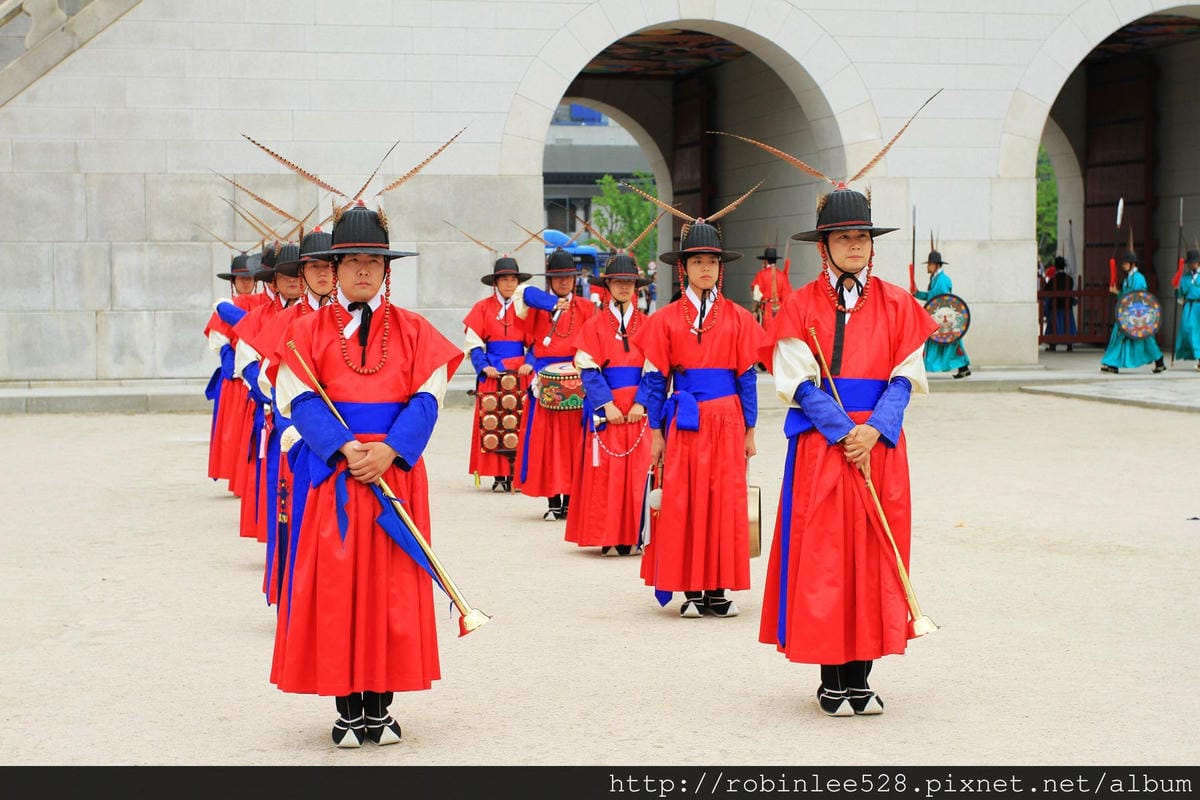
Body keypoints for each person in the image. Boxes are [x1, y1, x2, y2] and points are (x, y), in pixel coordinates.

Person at [270, 200, 464, 747]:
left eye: (372, 261)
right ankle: (347, 707)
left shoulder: (413, 330)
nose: (361, 270)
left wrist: (391, 450)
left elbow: (429, 397)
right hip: (337, 476)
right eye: (351, 259)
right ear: (334, 267)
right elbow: (298, 397)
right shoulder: (306, 331)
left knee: (392, 587)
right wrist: (344, 449)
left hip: (394, 476)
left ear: (386, 269)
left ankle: (382, 705)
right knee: (337, 587)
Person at [759, 185, 938, 717]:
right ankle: (831, 677)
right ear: (825, 245)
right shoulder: (800, 305)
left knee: (876, 555)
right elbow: (797, 382)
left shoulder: (897, 304)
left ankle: (863, 676)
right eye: (844, 237)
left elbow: (905, 378)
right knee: (825, 558)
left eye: (861, 236)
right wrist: (842, 431)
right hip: (822, 447)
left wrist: (875, 429)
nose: (854, 245)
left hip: (879, 448)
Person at [628, 194, 769, 619]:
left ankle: (719, 588)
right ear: (683, 267)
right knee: (685, 501)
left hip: (728, 420)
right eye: (697, 261)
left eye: (712, 261)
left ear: (720, 267)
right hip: (685, 419)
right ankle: (691, 586)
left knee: (725, 500)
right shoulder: (665, 319)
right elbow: (654, 380)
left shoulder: (741, 318)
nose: (705, 268)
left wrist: (750, 428)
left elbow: (747, 377)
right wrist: (655, 432)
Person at [564, 250, 655, 556]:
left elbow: (655, 369)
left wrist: (643, 402)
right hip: (609, 409)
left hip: (639, 411)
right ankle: (608, 534)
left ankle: (635, 535)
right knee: (607, 473)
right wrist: (606, 405)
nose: (624, 287)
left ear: (637, 286)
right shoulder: (594, 325)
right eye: (618, 281)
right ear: (608, 285)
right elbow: (588, 369)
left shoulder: (648, 324)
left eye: (629, 282)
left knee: (639, 471)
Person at [514, 247, 595, 520]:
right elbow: (521, 292)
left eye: (568, 277)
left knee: (573, 444)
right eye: (558, 278)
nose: (563, 282)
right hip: (545, 381)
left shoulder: (586, 308)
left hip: (576, 380)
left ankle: (572, 499)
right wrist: (551, 304)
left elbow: (593, 346)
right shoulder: (538, 306)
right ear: (549, 280)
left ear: (575, 279)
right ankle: (553, 500)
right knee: (547, 444)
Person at [462, 253, 536, 492]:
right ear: (495, 282)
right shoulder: (482, 308)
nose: (508, 283)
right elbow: (473, 343)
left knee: (521, 422)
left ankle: (520, 472)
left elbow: (536, 342)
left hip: (521, 372)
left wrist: (530, 361)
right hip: (494, 370)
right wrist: (484, 366)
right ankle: (498, 473)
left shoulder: (526, 309)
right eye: (504, 279)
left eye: (513, 279)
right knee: (493, 421)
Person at [1100, 248, 1167, 374]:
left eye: (1126, 262)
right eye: (1123, 262)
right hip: (1127, 313)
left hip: (1137, 314)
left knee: (1146, 338)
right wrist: (1117, 293)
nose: (1123, 265)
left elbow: (1138, 297)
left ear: (1132, 264)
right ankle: (1112, 363)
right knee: (1119, 336)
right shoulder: (1128, 278)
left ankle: (1159, 361)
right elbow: (1126, 296)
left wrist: (1119, 294)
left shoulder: (1139, 278)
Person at [912, 248, 971, 379]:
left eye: (929, 264)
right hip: (939, 316)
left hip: (943, 317)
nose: (927, 266)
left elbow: (939, 298)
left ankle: (963, 367)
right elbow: (931, 297)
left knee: (951, 342)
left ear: (936, 265)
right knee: (951, 342)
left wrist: (918, 294)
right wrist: (917, 293)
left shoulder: (942, 280)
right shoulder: (937, 278)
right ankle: (963, 367)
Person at [750, 245, 792, 328]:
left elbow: (756, 295)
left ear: (765, 261)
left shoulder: (761, 274)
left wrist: (754, 311)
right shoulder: (782, 275)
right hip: (780, 310)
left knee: (766, 334)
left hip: (766, 310)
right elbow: (787, 296)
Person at [1041, 255, 1077, 351]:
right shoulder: (1070, 279)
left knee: (1054, 325)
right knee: (1068, 325)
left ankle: (1053, 345)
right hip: (1067, 306)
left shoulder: (1053, 280)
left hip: (1056, 306)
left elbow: (1045, 290)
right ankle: (1069, 345)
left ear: (1055, 266)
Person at [1173, 248, 1200, 370]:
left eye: (1193, 262)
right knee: (1188, 330)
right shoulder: (1185, 277)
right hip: (1189, 307)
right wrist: (1177, 289)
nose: (1191, 265)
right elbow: (1180, 296)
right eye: (1189, 263)